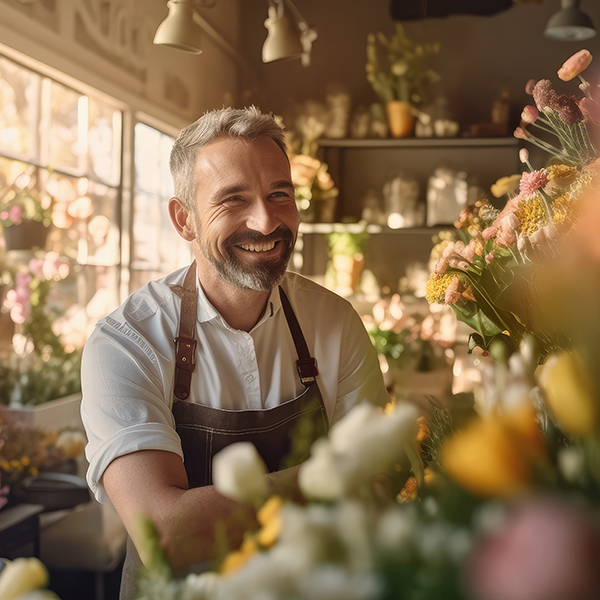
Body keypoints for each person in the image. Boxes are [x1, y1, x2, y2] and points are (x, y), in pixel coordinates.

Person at [80, 106, 390, 598]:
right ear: (185, 219)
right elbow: (163, 533)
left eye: (279, 195)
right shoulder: (126, 343)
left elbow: (379, 479)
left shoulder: (333, 322)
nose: (266, 220)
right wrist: (331, 477)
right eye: (233, 200)